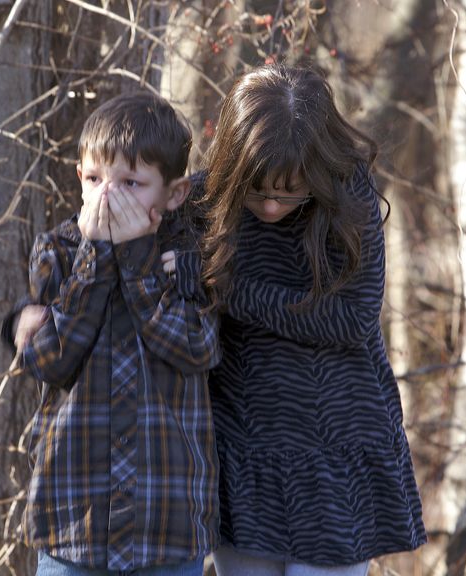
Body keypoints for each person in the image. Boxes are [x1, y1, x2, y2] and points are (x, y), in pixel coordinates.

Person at [170, 65, 427, 575]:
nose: (269, 205)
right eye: (256, 190)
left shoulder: (348, 198)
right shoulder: (201, 202)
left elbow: (351, 318)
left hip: (336, 448)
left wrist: (229, 290)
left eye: (288, 191)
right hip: (242, 450)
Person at [0, 92, 221, 576]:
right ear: (80, 178)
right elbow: (48, 360)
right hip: (72, 522)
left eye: (131, 183)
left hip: (165, 523)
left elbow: (198, 347)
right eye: (96, 180)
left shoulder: (188, 258)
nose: (108, 196)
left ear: (175, 193)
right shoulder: (57, 252)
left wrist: (141, 264)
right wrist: (96, 260)